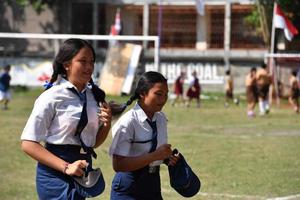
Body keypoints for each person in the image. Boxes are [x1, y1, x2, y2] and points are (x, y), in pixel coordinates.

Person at [20, 38, 112, 200]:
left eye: (92, 61)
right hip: (55, 172)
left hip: (83, 170)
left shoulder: (94, 97)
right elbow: (28, 144)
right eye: (82, 61)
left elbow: (92, 143)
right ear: (67, 64)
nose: (89, 66)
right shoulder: (51, 96)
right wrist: (66, 167)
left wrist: (107, 124)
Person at [109, 71, 179, 200]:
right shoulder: (128, 122)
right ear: (142, 94)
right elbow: (118, 165)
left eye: (166, 95)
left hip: (152, 184)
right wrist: (155, 156)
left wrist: (166, 159)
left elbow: (154, 152)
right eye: (158, 94)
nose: (163, 100)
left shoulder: (161, 119)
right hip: (128, 187)